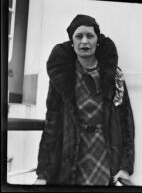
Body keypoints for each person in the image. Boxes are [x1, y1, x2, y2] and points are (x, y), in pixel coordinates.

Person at [34, 14, 135, 186]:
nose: (84, 42)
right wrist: (43, 174)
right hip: (72, 155)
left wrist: (125, 166)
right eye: (79, 36)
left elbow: (125, 121)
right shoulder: (61, 77)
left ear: (98, 40)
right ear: (72, 42)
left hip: (104, 154)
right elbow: (52, 124)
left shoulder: (114, 75)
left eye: (90, 36)